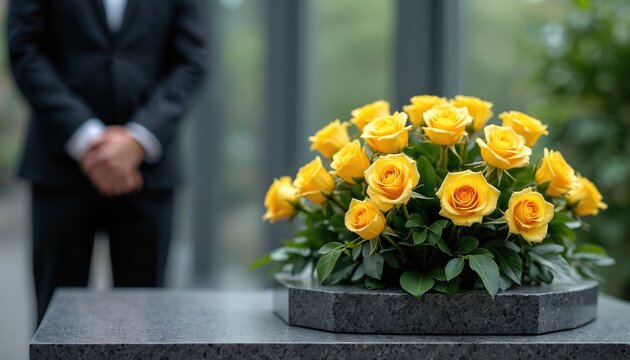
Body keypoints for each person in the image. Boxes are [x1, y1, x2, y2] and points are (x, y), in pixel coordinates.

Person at [7, 0, 207, 322]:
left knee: (148, 325)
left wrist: (139, 138)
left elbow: (192, 60)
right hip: (58, 164)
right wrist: (87, 139)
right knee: (55, 326)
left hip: (148, 172)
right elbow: (24, 49)